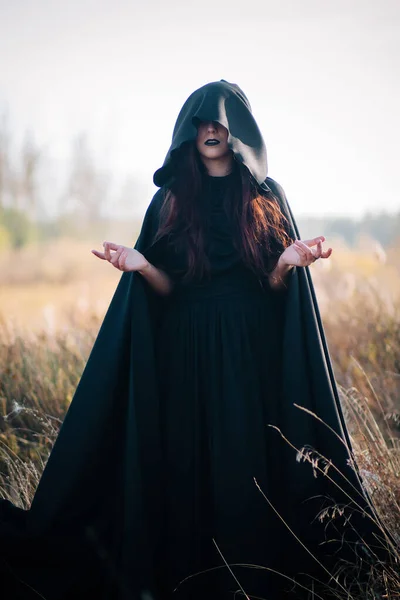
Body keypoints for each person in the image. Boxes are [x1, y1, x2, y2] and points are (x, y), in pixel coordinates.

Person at [0, 80, 382, 600]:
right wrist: (141, 266)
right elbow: (168, 289)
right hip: (186, 351)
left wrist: (287, 264)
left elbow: (271, 289)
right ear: (188, 132)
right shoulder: (172, 199)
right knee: (187, 463)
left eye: (221, 122)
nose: (211, 129)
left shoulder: (269, 197)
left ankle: (251, 579)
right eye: (202, 121)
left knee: (245, 463)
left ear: (238, 132)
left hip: (249, 354)